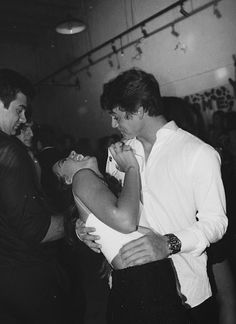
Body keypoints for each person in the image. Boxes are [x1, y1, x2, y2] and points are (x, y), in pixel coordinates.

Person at [77, 68, 228, 324]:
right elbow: (112, 210)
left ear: (138, 110)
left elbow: (216, 223)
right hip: (129, 287)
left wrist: (167, 244)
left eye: (116, 116)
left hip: (185, 292)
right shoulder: (118, 154)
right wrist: (87, 229)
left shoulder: (197, 152)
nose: (113, 124)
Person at [53, 148, 188, 324]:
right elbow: (126, 221)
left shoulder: (103, 187)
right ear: (68, 180)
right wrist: (132, 167)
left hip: (145, 280)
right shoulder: (82, 176)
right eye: (65, 160)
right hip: (142, 282)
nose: (71, 151)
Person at [0, 68, 75, 323]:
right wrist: (77, 219)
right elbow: (37, 230)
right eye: (19, 110)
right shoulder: (9, 150)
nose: (23, 119)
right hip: (26, 278)